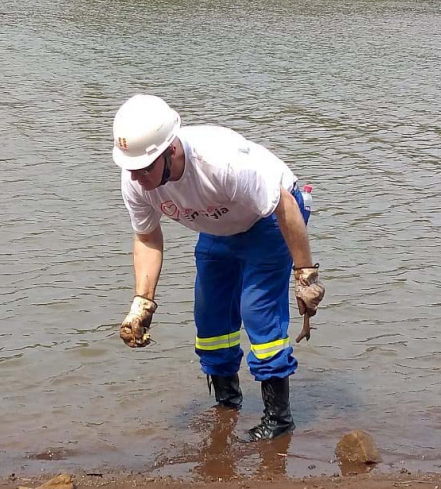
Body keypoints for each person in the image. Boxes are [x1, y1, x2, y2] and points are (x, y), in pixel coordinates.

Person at [113, 94, 325, 442]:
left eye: (145, 168)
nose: (136, 177)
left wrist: (305, 275)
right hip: (218, 225)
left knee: (257, 310)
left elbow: (285, 206)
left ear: (171, 151)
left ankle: (278, 419)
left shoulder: (220, 163)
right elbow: (148, 238)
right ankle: (228, 406)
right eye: (131, 168)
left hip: (270, 220)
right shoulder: (136, 179)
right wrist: (142, 304)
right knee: (210, 317)